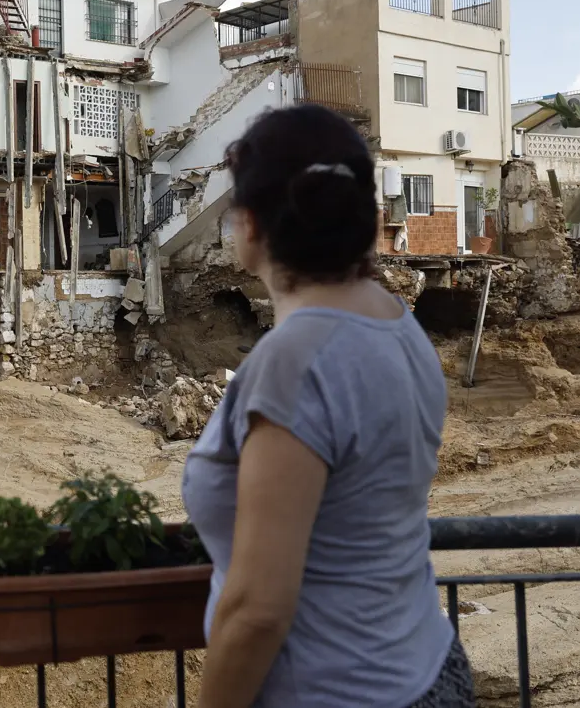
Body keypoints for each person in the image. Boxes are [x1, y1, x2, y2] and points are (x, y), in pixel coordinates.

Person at [181, 104, 475, 707]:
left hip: (337, 691)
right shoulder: (398, 325)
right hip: (428, 665)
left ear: (251, 225)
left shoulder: (297, 362)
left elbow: (259, 609)